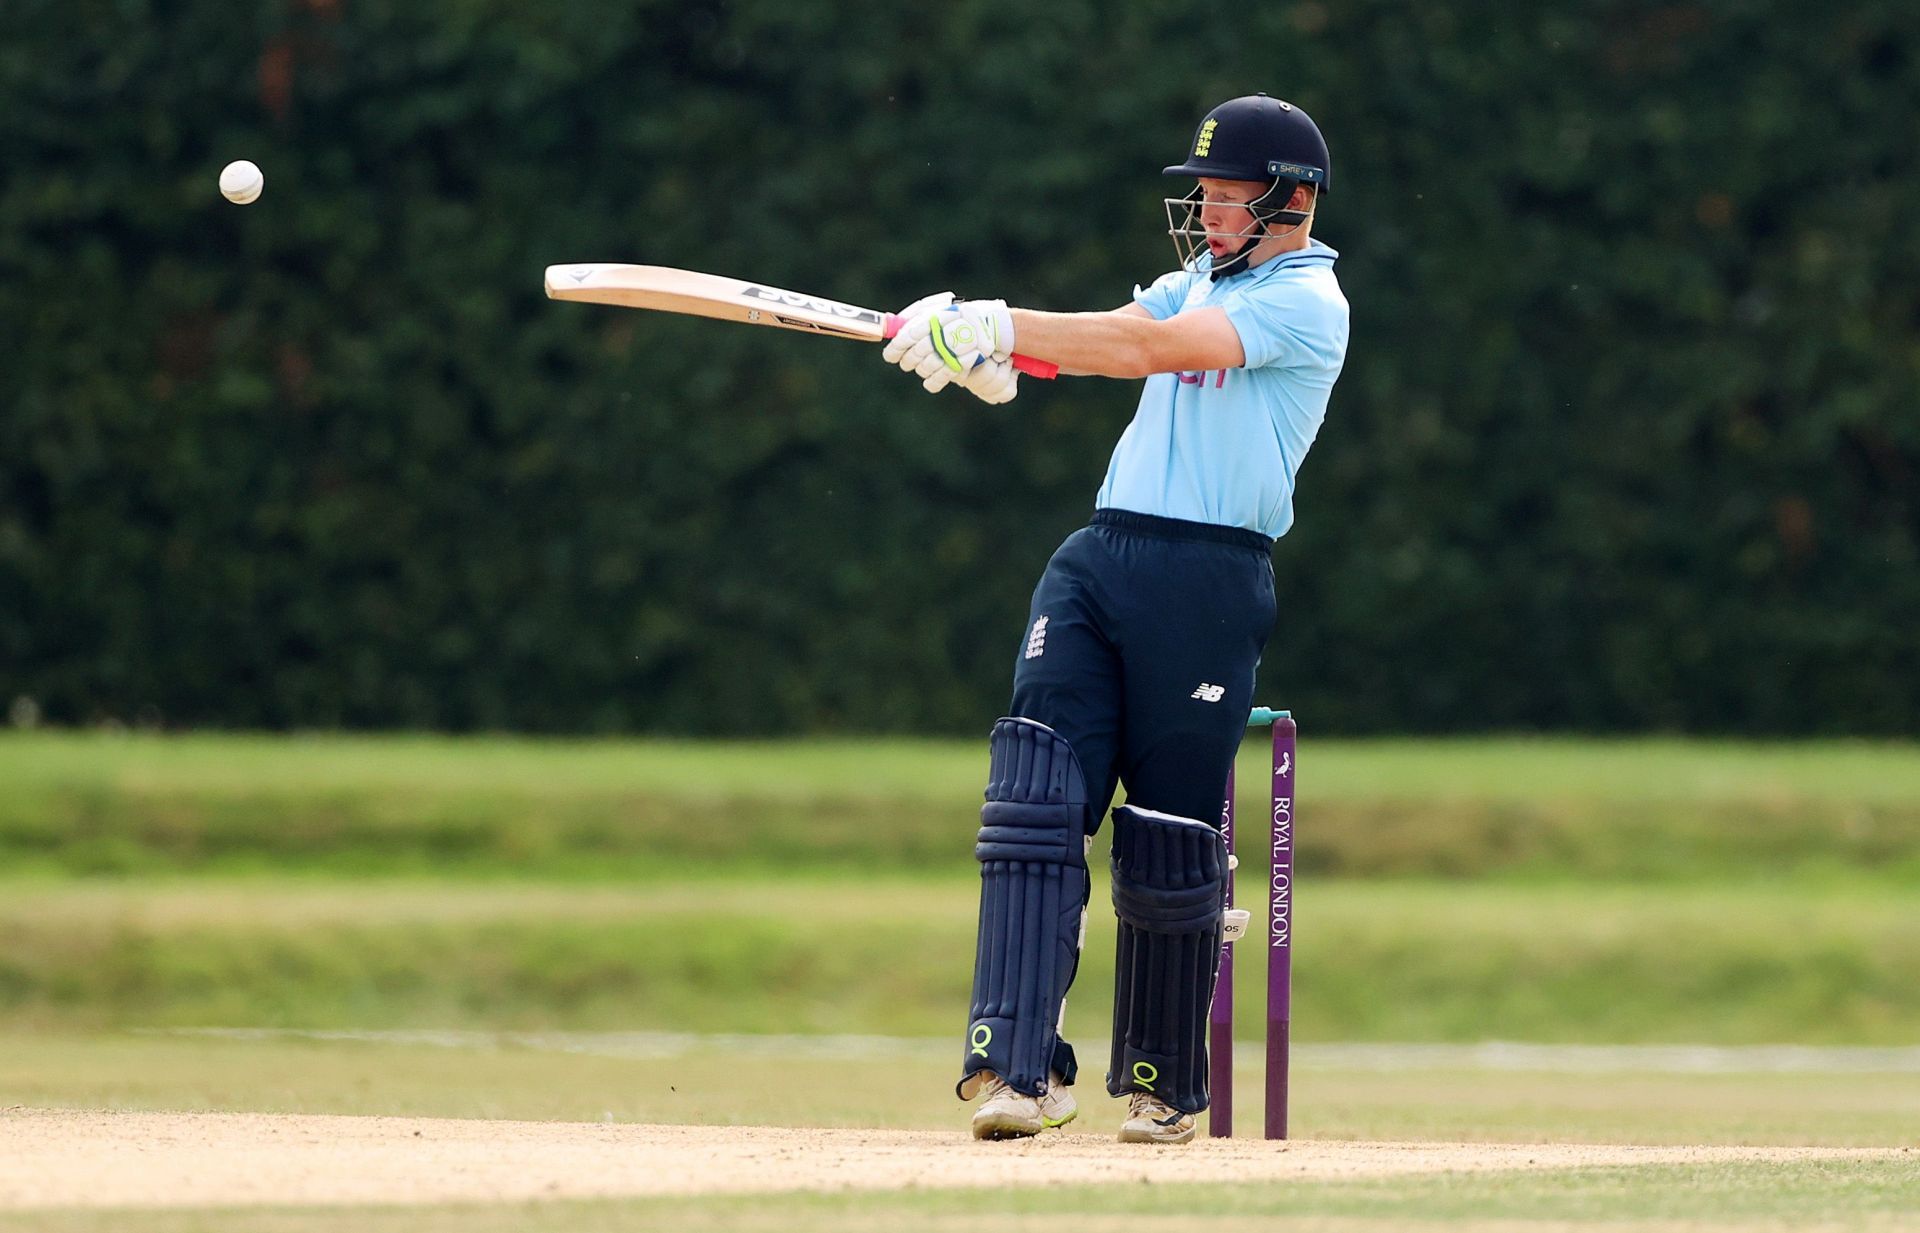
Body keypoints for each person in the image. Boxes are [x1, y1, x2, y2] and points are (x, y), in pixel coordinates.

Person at [883, 94, 1349, 1144]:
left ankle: (1163, 1082)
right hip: (1101, 556)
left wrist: (997, 321)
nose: (1212, 214)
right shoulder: (1199, 280)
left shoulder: (1308, 303)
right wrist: (993, 355)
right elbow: (1125, 332)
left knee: (1168, 836)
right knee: (1035, 796)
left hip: (1210, 575)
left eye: (1233, 197)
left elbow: (1147, 351)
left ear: (1294, 201)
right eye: (1207, 196)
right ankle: (1016, 1069)